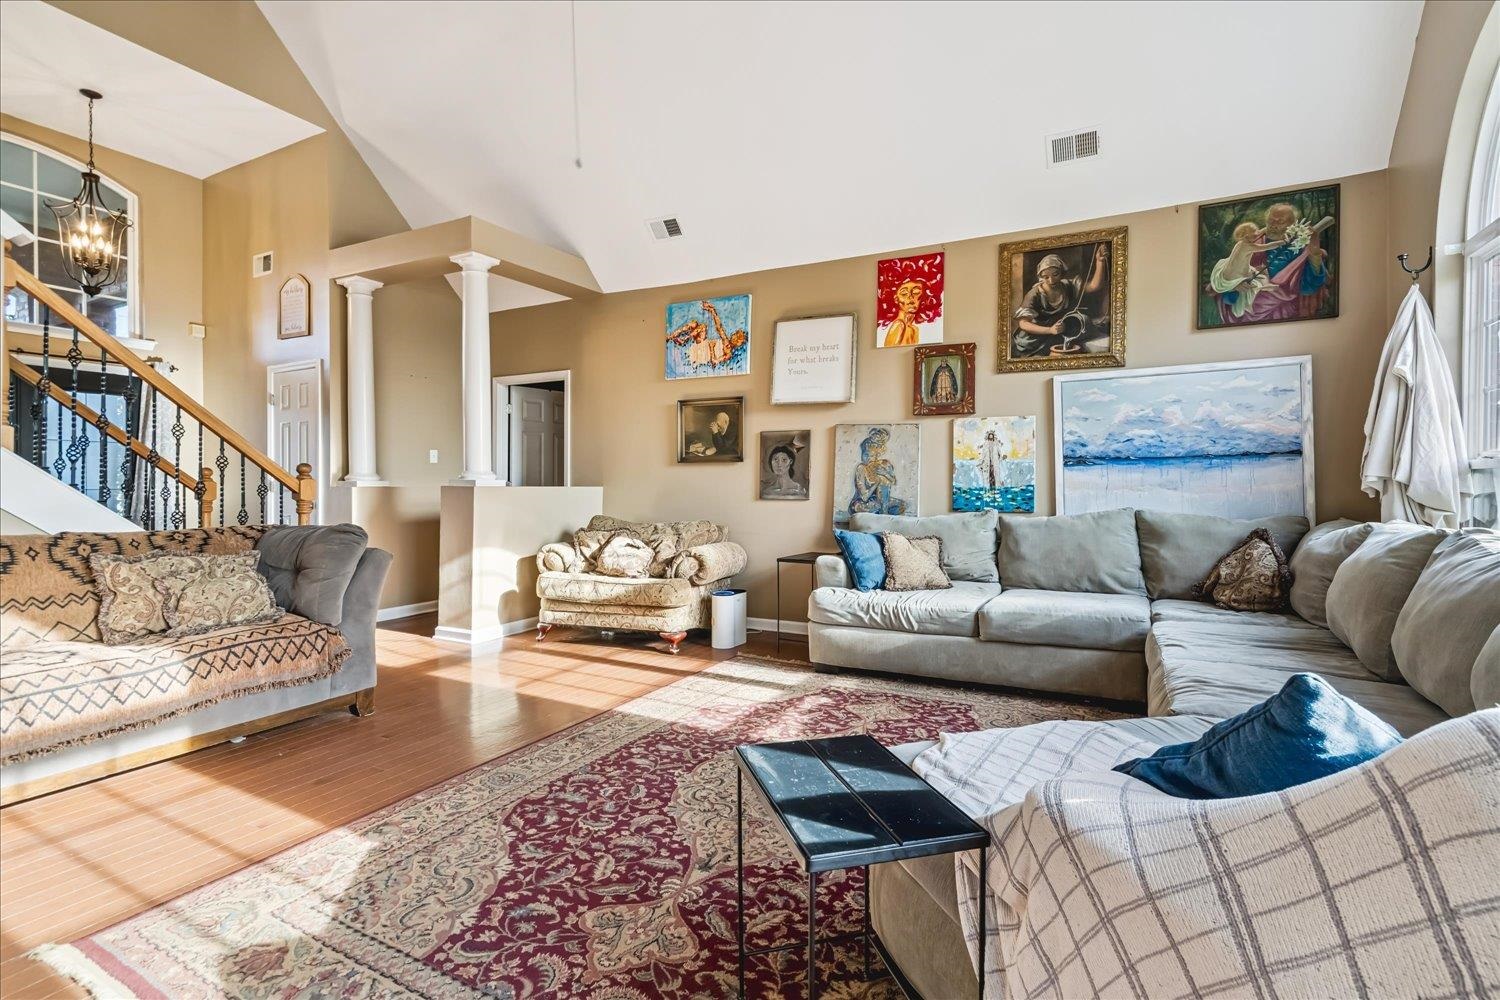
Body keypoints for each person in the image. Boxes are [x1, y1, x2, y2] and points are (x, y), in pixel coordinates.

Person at [1210, 203, 1334, 325]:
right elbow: (1230, 274)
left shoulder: (1302, 247)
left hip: (1282, 314)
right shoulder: (1252, 242)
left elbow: (1309, 287)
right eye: (1271, 220)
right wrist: (1234, 286)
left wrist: (1313, 253)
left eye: (1280, 222)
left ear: (1292, 225)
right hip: (1244, 309)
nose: (1273, 225)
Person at [1011, 243, 1109, 358]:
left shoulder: (1068, 285)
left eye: (1055, 274)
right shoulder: (1034, 294)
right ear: (1040, 276)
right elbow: (1023, 323)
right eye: (1046, 277)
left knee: (1085, 322)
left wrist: (1100, 262)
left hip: (1060, 330)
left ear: (1062, 272)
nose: (1051, 280)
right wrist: (1050, 330)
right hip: (1036, 336)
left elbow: (1094, 286)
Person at [847, 427, 908, 517]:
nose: (868, 458)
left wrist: (885, 474)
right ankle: (883, 511)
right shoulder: (861, 468)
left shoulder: (881, 465)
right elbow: (864, 497)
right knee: (861, 506)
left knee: (903, 505)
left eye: (871, 456)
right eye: (865, 454)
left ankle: (882, 511)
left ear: (876, 455)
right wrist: (876, 483)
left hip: (878, 501)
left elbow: (893, 481)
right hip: (860, 504)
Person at [881, 278, 928, 347]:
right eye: (904, 293)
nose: (910, 297)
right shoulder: (899, 325)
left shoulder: (915, 329)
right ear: (896, 299)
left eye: (916, 292)